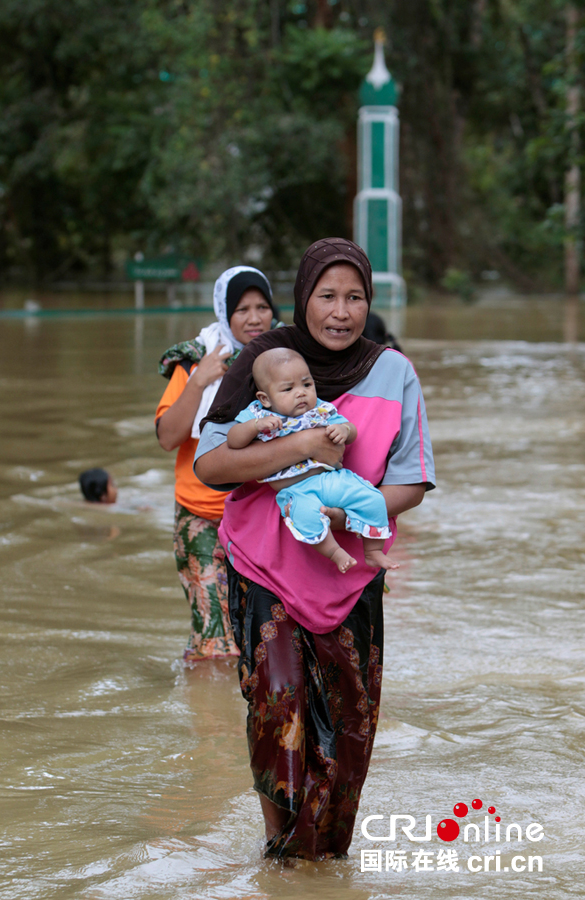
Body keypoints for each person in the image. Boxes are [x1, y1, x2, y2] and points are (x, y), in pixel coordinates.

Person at [194, 238, 436, 860]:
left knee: (350, 729)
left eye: (355, 297)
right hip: (263, 569)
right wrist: (301, 448)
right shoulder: (263, 359)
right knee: (277, 715)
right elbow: (213, 464)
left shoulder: (393, 372)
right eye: (327, 296)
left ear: (369, 302)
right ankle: (280, 853)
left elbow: (410, 481)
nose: (341, 310)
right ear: (303, 300)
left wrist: (346, 511)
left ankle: (324, 861)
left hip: (349, 575)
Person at [155, 266, 279, 662]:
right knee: (215, 645)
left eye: (263, 307)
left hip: (263, 519)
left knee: (261, 641)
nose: (255, 317)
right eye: (242, 309)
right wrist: (198, 380)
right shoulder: (195, 362)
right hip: (201, 518)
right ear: (225, 313)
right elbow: (166, 437)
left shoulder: (284, 361)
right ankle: (207, 719)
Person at [227, 348, 398, 574]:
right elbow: (233, 440)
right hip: (296, 490)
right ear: (265, 398)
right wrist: (254, 427)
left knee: (373, 499)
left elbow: (352, 430)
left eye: (307, 385)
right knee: (305, 516)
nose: (301, 393)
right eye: (288, 388)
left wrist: (344, 430)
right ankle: (335, 552)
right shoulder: (257, 415)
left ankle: (373, 550)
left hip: (332, 479)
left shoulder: (320, 410)